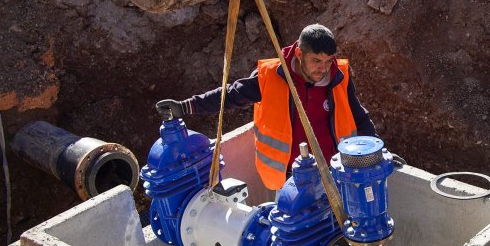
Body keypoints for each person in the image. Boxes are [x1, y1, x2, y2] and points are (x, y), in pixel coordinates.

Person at [155, 23, 376, 190]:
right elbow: (232, 95)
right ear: (299, 54)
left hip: (334, 170)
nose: (323, 69)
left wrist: (376, 153)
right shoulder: (272, 77)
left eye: (328, 61)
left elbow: (357, 114)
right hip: (293, 177)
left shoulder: (338, 76)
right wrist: (185, 106)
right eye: (316, 61)